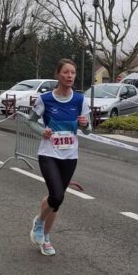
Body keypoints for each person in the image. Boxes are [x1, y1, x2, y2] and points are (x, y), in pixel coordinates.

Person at [28, 59, 90, 257]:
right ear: (57, 74)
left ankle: (45, 236)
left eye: (73, 72)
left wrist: (85, 124)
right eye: (66, 72)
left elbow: (88, 130)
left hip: (70, 155)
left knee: (56, 199)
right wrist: (42, 131)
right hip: (48, 153)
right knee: (56, 196)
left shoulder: (80, 100)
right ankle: (39, 223)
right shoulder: (45, 99)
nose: (70, 76)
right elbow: (31, 121)